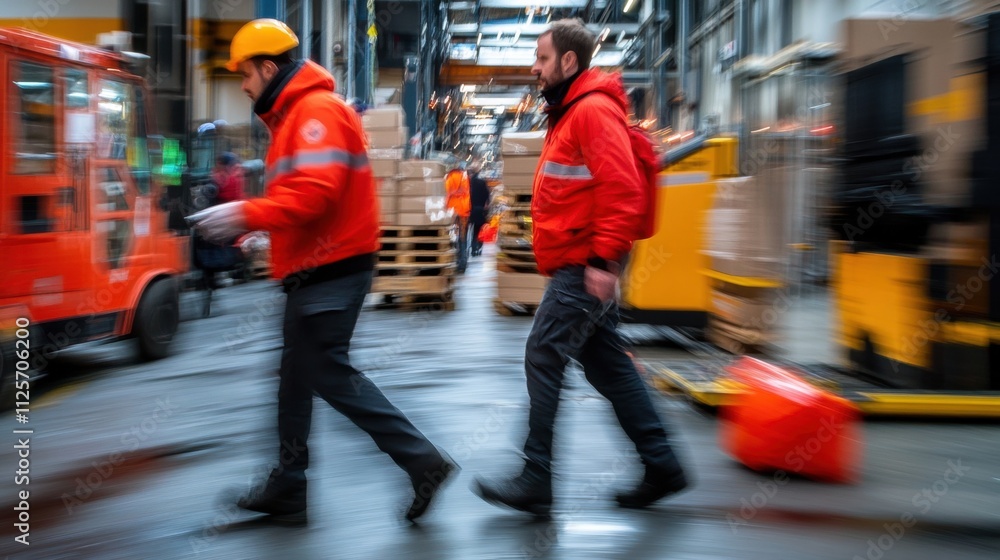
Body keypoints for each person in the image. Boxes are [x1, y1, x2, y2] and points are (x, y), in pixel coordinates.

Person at [189, 18, 456, 524]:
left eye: (245, 74)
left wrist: (246, 213)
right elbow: (306, 199)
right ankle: (289, 484)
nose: (243, 86)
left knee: (325, 372)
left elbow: (314, 194)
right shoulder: (295, 116)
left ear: (268, 68)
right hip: (316, 268)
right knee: (295, 377)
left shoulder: (315, 112)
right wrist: (266, 231)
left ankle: (421, 459)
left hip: (333, 269)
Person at [472, 18, 689, 516]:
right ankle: (663, 465)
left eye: (542, 58)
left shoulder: (590, 111)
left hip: (586, 260)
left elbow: (622, 188)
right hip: (582, 258)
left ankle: (536, 477)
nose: (535, 67)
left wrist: (603, 259)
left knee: (544, 353)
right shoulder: (570, 112)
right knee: (607, 365)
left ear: (569, 61)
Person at [444, 162, 471, 272]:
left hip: (452, 211)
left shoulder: (448, 177)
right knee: (462, 238)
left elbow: (447, 193)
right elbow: (466, 191)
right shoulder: (464, 176)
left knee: (452, 237)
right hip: (464, 210)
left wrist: (445, 206)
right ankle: (463, 263)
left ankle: (454, 262)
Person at [468, 162, 490, 257]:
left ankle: (473, 249)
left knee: (472, 231)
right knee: (480, 230)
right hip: (480, 209)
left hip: (471, 209)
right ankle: (478, 248)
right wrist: (486, 205)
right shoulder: (482, 182)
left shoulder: (469, 182)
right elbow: (487, 195)